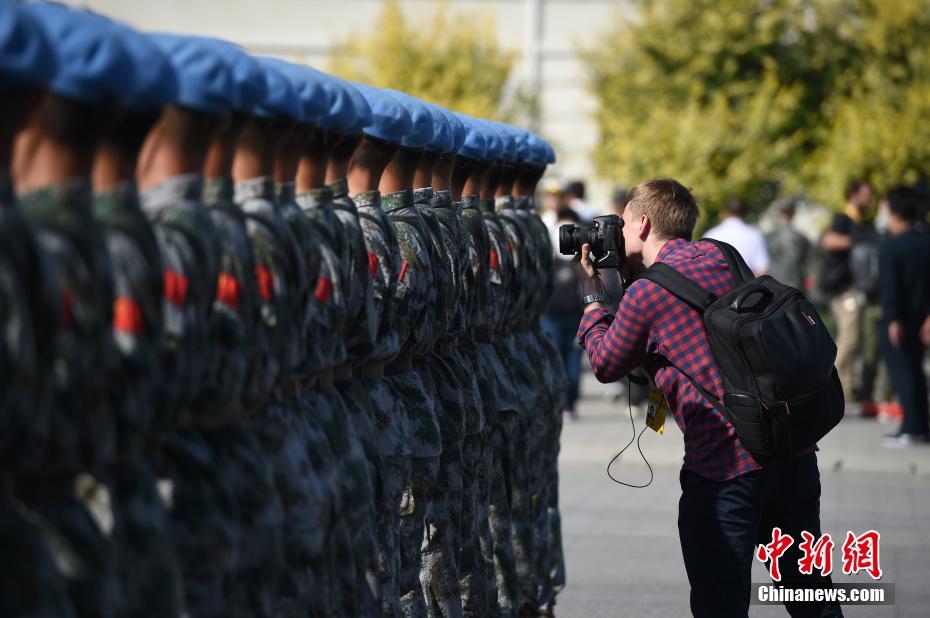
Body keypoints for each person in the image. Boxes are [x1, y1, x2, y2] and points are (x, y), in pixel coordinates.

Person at [571, 178, 842, 618]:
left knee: (721, 605)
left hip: (724, 471)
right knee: (811, 596)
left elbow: (606, 363)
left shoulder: (645, 294)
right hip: (788, 449)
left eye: (619, 224)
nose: (613, 235)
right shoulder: (723, 254)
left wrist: (591, 298)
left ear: (642, 224)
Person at [819, 180, 881, 410]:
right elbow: (829, 241)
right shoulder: (843, 219)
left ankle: (845, 387)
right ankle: (827, 385)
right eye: (866, 194)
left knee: (854, 341)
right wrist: (857, 241)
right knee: (849, 339)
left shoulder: (861, 220)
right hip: (844, 289)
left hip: (854, 289)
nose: (869, 200)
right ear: (852, 195)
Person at [877, 187, 930, 447]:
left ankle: (911, 427)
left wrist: (893, 318)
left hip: (898, 321)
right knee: (917, 373)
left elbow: (890, 288)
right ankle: (922, 424)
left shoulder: (891, 247)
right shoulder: (925, 241)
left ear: (895, 213)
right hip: (922, 319)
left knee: (903, 373)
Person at [541, 207, 584, 419]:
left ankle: (564, 403)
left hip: (563, 314)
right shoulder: (579, 248)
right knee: (564, 359)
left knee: (565, 359)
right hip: (563, 314)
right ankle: (563, 403)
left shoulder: (581, 258)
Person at [703, 196, 769, 276]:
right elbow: (762, 268)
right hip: (748, 285)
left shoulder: (711, 234)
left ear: (724, 212)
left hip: (718, 285)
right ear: (745, 213)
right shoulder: (754, 235)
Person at [764, 197, 809, 292]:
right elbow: (809, 265)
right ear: (793, 213)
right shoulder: (801, 238)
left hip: (772, 285)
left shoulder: (766, 237)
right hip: (795, 287)